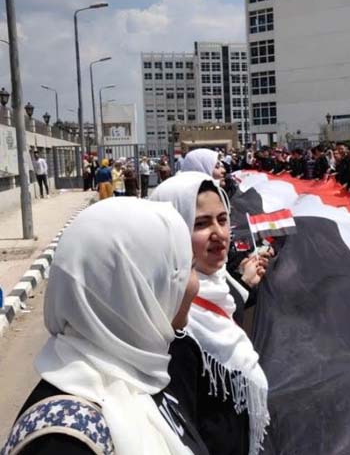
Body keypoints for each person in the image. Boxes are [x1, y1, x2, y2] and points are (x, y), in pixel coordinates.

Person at [2, 198, 207, 455]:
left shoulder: (144, 376)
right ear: (136, 287)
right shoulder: (62, 443)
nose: (196, 285)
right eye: (187, 269)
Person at [150, 173, 270, 455]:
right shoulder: (173, 323)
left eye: (222, 219)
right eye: (201, 223)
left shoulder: (219, 283)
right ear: (173, 232)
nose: (219, 233)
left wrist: (242, 285)